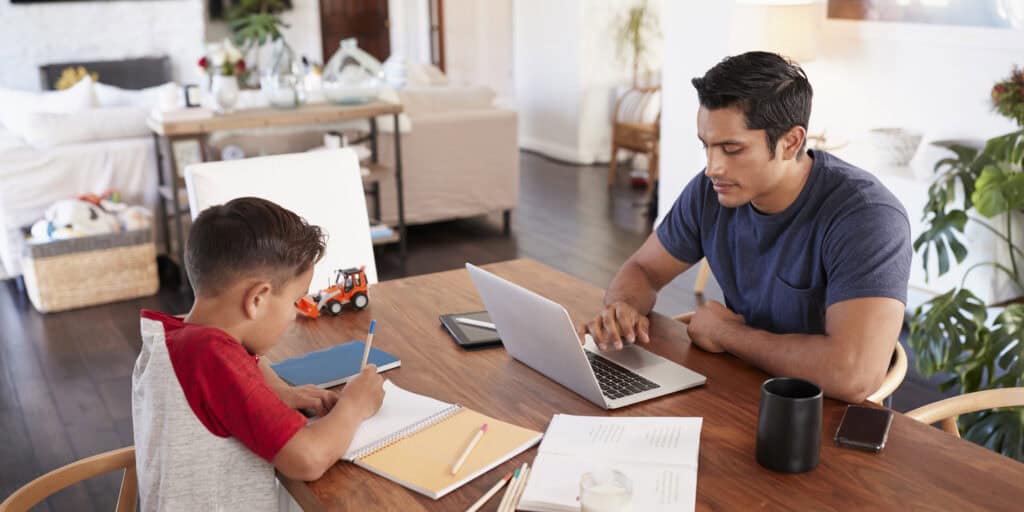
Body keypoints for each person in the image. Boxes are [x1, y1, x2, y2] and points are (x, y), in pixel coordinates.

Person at [578, 51, 911, 403]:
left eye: (731, 148)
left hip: (824, 418)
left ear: (791, 142)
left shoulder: (868, 217)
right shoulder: (711, 192)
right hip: (740, 389)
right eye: (707, 146)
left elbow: (853, 374)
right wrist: (623, 307)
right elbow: (644, 268)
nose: (712, 168)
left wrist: (726, 334)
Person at [132, 197, 385, 511]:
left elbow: (246, 363)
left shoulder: (178, 336)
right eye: (295, 302)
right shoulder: (213, 356)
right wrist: (354, 406)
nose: (295, 316)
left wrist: (278, 392)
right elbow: (307, 459)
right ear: (258, 299)